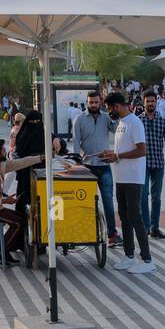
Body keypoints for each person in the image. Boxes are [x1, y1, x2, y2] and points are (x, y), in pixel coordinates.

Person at [100, 92, 155, 275]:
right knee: (124, 217)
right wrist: (112, 155)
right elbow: (121, 151)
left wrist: (118, 156)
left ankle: (147, 259)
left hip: (133, 178)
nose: (109, 112)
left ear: (117, 106)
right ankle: (129, 256)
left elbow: (142, 150)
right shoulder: (120, 124)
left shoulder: (134, 123)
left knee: (135, 217)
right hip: (121, 178)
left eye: (109, 108)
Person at [0, 138, 44, 262]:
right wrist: (5, 201)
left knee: (22, 218)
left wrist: (40, 158)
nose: (5, 150)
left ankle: (2, 252)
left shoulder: (0, 164)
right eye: (3, 149)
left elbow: (20, 163)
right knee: (18, 223)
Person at [71, 90, 119, 248]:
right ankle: (88, 233)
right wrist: (77, 161)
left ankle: (112, 234)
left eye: (96, 102)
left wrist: (115, 116)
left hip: (104, 166)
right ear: (87, 102)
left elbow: (116, 130)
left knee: (108, 202)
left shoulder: (106, 117)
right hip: (87, 167)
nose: (94, 105)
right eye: (91, 102)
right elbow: (76, 142)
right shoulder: (79, 120)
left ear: (101, 102)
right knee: (87, 203)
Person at [139, 90, 165, 240]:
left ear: (156, 102)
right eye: (147, 101)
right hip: (142, 165)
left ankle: (155, 228)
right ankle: (145, 227)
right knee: (143, 197)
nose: (150, 103)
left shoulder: (161, 121)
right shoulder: (138, 121)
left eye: (152, 101)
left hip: (158, 164)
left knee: (156, 197)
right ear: (143, 103)